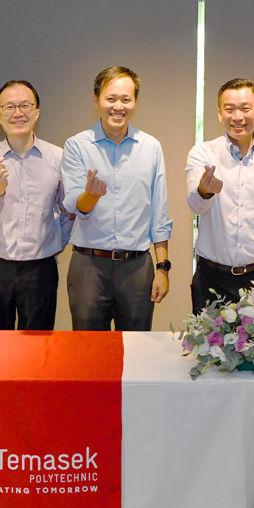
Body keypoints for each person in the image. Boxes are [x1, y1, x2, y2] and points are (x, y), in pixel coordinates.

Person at [61, 66, 172, 331]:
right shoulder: (77, 145)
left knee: (135, 354)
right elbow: (76, 205)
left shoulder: (151, 147)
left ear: (135, 101)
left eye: (126, 99)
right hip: (89, 266)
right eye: (111, 99)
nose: (118, 107)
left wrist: (163, 268)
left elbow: (160, 213)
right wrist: (91, 195)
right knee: (88, 354)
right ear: (96, 99)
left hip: (137, 268)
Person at [185, 78, 254, 311]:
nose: (237, 117)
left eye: (245, 109)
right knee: (206, 347)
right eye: (229, 109)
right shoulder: (203, 154)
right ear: (218, 114)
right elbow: (196, 206)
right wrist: (205, 191)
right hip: (210, 277)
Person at [0, 80, 72, 330]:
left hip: (41, 270)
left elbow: (69, 212)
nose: (18, 113)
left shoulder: (58, 157)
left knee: (37, 353)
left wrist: (54, 244)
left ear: (37, 112)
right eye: (9, 107)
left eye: (25, 105)